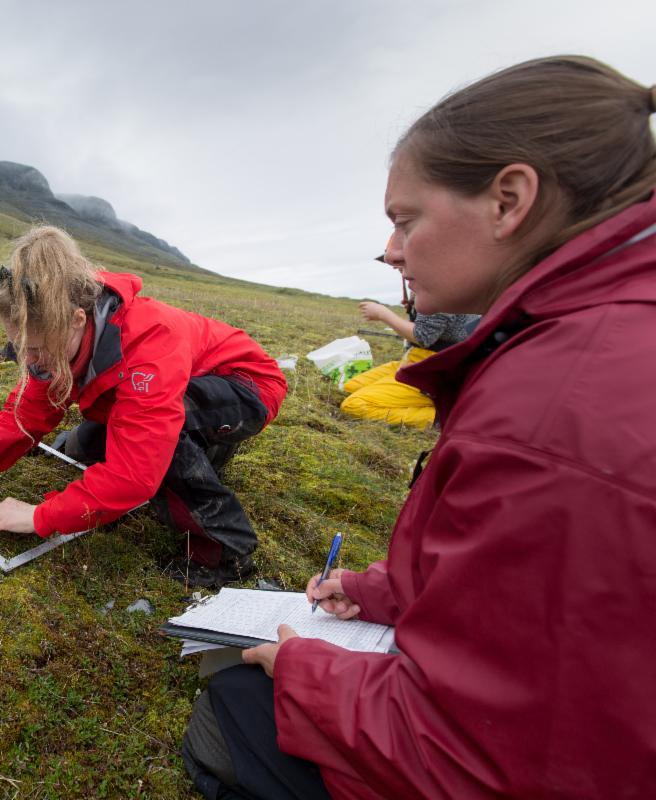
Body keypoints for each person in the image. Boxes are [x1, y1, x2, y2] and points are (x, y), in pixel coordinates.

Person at [183, 55, 656, 798]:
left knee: (233, 711)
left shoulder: (552, 411)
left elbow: (492, 756)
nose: (395, 251)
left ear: (509, 200)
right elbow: (529, 605)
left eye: (406, 220)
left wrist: (309, 673)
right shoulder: (593, 338)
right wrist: (387, 590)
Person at [0, 225, 288, 587]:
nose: (31, 360)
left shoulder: (148, 344)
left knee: (159, 445)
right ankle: (208, 452)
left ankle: (225, 551)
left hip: (246, 386)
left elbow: (134, 474)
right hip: (178, 384)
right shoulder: (59, 329)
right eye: (20, 346)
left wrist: (40, 517)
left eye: (38, 349)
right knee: (90, 444)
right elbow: (33, 404)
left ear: (77, 320)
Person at [339, 253, 479, 429]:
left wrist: (383, 314)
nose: (399, 271)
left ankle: (442, 416)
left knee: (355, 404)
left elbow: (423, 337)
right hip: (416, 361)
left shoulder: (439, 290)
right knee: (351, 386)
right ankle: (428, 401)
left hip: (433, 371)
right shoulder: (432, 286)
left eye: (401, 265)